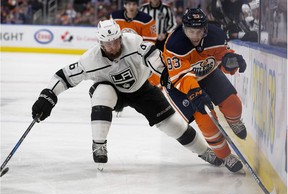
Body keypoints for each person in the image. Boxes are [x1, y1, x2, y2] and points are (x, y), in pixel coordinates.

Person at [31, 19, 223, 169]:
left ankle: (205, 152)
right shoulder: (91, 59)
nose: (113, 47)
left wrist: (165, 75)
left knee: (173, 125)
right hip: (114, 91)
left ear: (121, 37)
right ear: (100, 43)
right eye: (108, 44)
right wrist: (47, 96)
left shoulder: (133, 42)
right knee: (102, 92)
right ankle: (99, 144)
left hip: (142, 89)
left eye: (115, 41)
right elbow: (64, 76)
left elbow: (153, 57)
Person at [160, 8, 247, 172]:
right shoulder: (174, 44)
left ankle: (234, 121)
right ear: (184, 28)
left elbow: (222, 54)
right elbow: (181, 76)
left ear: (205, 29)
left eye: (198, 31)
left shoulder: (216, 35)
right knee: (207, 122)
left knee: (233, 105)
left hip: (208, 74)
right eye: (190, 31)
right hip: (180, 85)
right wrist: (195, 93)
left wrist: (230, 59)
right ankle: (226, 156)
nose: (194, 35)